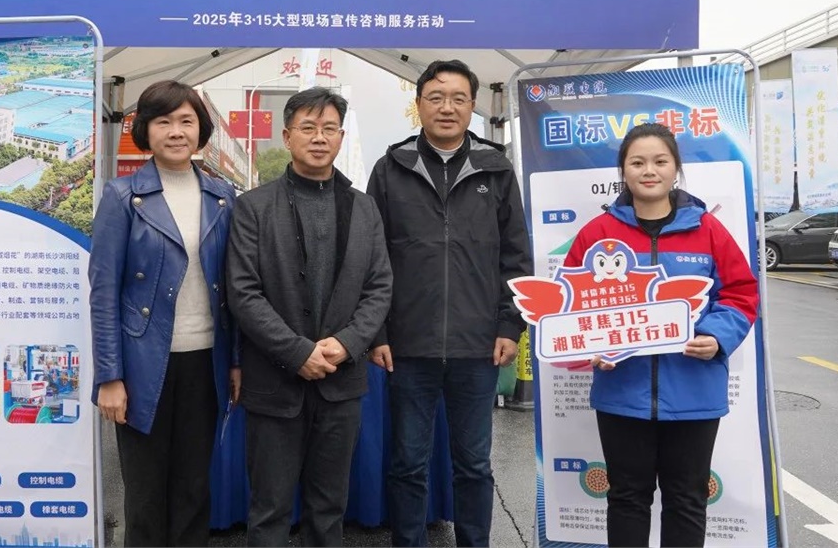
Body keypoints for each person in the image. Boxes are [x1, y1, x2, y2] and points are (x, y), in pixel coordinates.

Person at [564, 122, 759, 548]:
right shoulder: (598, 234)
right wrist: (593, 346)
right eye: (637, 162)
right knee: (626, 498)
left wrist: (716, 336)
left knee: (686, 499)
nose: (649, 170)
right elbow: (570, 305)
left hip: (693, 393)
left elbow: (741, 293)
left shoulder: (708, 230)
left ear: (675, 169)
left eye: (659, 161)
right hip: (622, 393)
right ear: (623, 171)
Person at [367, 59, 532, 547]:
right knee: (408, 463)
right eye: (436, 97)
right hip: (408, 346)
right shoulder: (391, 169)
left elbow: (516, 257)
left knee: (474, 464)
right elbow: (371, 259)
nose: (447, 107)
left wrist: (509, 325)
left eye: (459, 98)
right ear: (419, 105)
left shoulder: (495, 169)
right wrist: (377, 332)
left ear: (472, 106)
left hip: (477, 345)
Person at [227, 87, 393, 547]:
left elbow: (380, 286)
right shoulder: (253, 207)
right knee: (269, 509)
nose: (319, 138)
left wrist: (348, 343)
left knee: (329, 507)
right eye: (308, 127)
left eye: (329, 129)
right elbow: (243, 293)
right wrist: (297, 352)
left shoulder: (364, 207)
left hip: (341, 382)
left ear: (340, 137)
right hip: (274, 382)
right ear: (287, 136)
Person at [89, 80, 240, 547]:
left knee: (194, 489)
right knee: (146, 494)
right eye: (164, 121)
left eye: (186, 121)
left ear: (201, 130)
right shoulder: (122, 196)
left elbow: (235, 289)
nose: (176, 131)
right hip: (143, 364)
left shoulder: (222, 197)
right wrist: (110, 376)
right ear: (146, 130)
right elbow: (104, 293)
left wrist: (235, 361)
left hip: (206, 360)